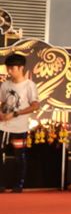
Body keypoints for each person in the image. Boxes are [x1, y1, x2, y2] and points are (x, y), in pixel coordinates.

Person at [0, 53, 40, 192]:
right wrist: (1, 113)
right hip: (3, 126)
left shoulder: (29, 85)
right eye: (8, 68)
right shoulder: (5, 84)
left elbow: (35, 105)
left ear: (21, 68)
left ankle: (18, 185)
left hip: (19, 127)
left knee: (19, 157)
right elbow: (3, 102)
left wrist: (16, 113)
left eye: (12, 68)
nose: (9, 71)